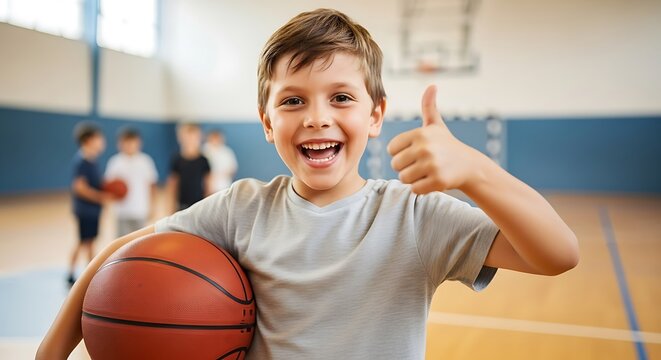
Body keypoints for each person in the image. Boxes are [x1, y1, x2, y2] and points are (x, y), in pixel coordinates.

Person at [37, 9, 579, 359]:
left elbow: (558, 253)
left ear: (375, 115)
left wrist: (476, 172)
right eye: (293, 100)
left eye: (340, 97)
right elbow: (119, 253)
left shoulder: (415, 216)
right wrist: (49, 355)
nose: (317, 117)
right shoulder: (243, 207)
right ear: (268, 121)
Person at [66, 122, 109, 286]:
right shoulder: (82, 161)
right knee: (86, 241)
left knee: (85, 241)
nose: (102, 141)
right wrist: (100, 197)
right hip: (86, 210)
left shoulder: (92, 160)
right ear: (89, 140)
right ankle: (87, 274)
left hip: (92, 210)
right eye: (99, 138)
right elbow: (79, 187)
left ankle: (76, 272)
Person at [104, 127, 158, 236]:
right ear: (119, 144)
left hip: (140, 210)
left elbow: (152, 185)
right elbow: (109, 186)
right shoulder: (115, 162)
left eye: (132, 142)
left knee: (140, 242)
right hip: (122, 212)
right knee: (121, 244)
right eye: (126, 142)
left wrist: (152, 207)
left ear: (139, 143)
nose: (129, 145)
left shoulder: (145, 161)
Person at [166, 122, 211, 212]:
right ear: (180, 138)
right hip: (182, 205)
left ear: (199, 138)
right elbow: (172, 185)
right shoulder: (177, 160)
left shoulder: (203, 160)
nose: (190, 140)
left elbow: (208, 185)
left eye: (194, 137)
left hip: (199, 205)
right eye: (187, 137)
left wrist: (207, 207)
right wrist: (171, 207)